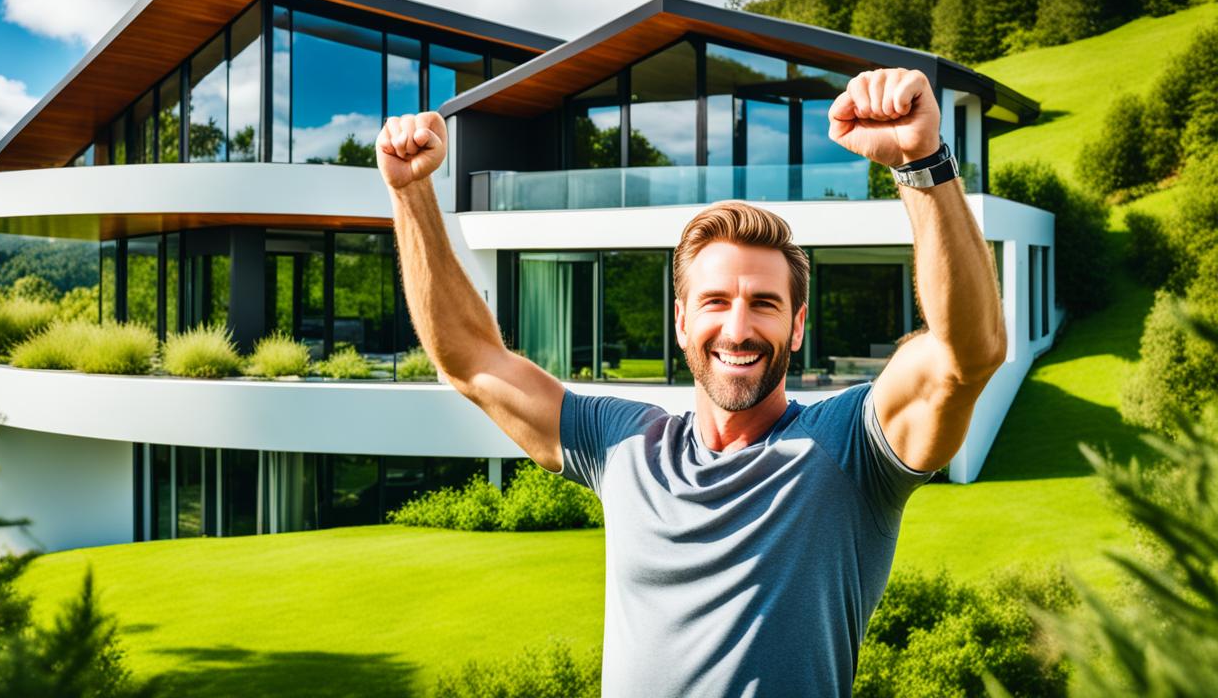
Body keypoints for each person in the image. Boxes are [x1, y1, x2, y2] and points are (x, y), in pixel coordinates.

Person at [374, 68, 1006, 697]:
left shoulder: (849, 451)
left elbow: (964, 357)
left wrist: (921, 162)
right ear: (681, 321)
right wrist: (411, 194)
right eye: (714, 302)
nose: (738, 328)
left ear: (796, 326)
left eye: (764, 303)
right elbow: (471, 360)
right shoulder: (622, 445)